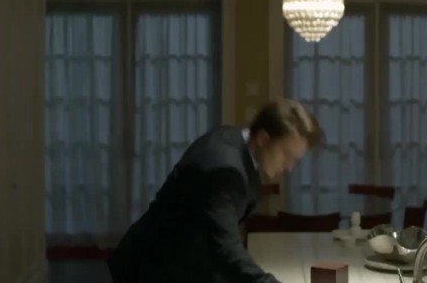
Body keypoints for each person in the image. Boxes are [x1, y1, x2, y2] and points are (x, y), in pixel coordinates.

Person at [107, 97, 323, 283]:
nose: (289, 167)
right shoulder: (226, 169)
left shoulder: (233, 139)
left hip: (175, 260)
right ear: (263, 139)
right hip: (153, 268)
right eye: (287, 155)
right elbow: (225, 247)